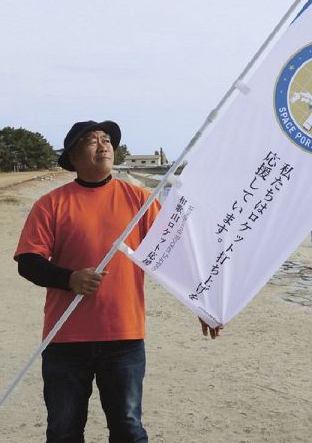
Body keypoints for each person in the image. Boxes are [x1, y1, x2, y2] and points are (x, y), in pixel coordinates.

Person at [14, 120, 221, 443]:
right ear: (73, 155)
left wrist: (203, 303)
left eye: (107, 139)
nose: (104, 145)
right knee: (63, 431)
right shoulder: (51, 204)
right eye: (92, 140)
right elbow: (28, 262)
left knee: (127, 428)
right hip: (65, 338)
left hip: (124, 337)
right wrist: (69, 278)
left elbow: (175, 255)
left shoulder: (139, 201)